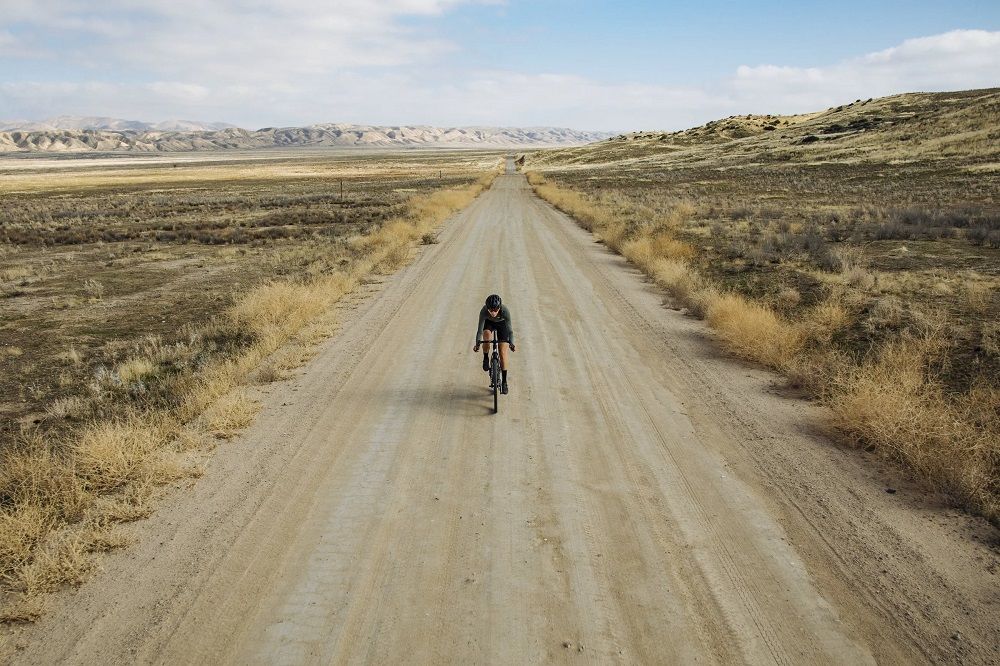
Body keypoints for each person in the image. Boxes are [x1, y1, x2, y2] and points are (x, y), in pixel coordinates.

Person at [473, 293, 515, 394]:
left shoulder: (505, 311)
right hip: (489, 323)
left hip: (502, 324)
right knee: (486, 336)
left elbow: (510, 331)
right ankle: (486, 357)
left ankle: (504, 382)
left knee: (503, 352)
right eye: (491, 310)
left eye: (496, 310)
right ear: (487, 308)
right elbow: (479, 330)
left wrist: (512, 343)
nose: (493, 313)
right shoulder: (483, 311)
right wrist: (477, 343)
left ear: (499, 308)